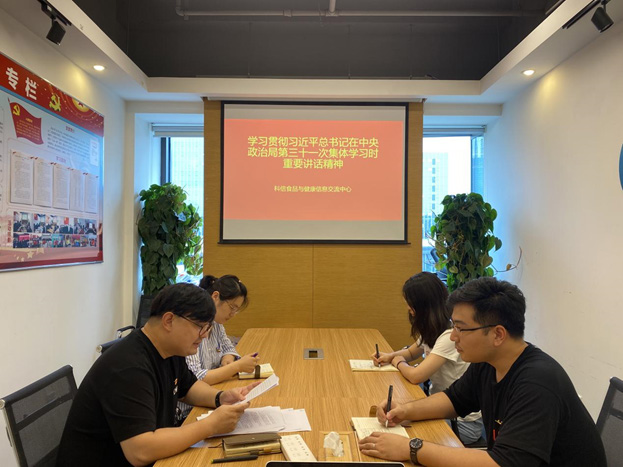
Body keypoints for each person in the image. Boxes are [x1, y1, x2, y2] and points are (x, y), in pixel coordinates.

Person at [360, 277, 606, 467]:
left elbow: (502, 463)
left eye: (461, 328)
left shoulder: (537, 382)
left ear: (498, 334)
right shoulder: (489, 362)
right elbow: (453, 400)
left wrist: (411, 448)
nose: (453, 336)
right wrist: (404, 410)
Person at [57, 283, 260, 467]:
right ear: (169, 320)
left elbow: (188, 387)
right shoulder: (128, 367)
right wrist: (210, 425)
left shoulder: (170, 349)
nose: (205, 335)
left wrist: (220, 397)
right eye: (200, 327)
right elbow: (140, 451)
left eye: (208, 328)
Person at [371, 272, 483, 444]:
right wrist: (390, 356)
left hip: (462, 423)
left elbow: (417, 376)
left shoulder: (449, 336)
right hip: (440, 408)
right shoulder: (433, 330)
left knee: (401, 432)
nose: (409, 309)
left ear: (423, 306)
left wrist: (398, 361)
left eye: (411, 304)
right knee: (397, 420)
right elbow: (411, 353)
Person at [178, 275, 259, 420]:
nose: (233, 314)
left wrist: (227, 359)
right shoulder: (193, 327)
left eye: (236, 310)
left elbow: (228, 347)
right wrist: (236, 367)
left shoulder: (217, 324)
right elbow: (195, 378)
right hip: (189, 411)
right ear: (215, 296)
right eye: (232, 307)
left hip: (210, 397)